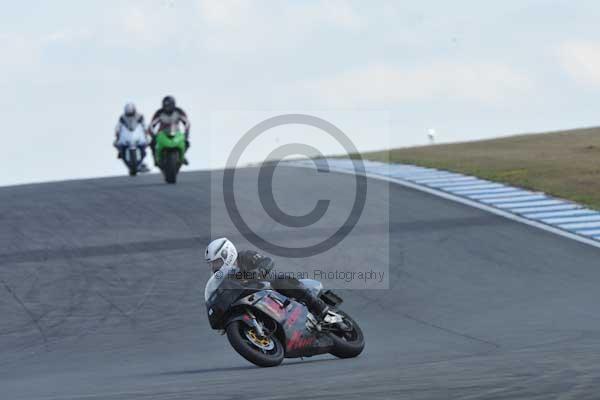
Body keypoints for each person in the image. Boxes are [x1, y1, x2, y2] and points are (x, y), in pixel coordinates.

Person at [204, 238, 337, 325]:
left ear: (227, 254)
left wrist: (260, 271)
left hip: (269, 287)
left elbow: (267, 261)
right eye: (212, 264)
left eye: (216, 262)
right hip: (252, 300)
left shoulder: (245, 256)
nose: (215, 267)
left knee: (279, 280)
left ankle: (318, 305)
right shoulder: (222, 277)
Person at [147, 95, 191, 166]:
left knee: (187, 143)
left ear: (173, 104)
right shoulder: (159, 113)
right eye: (165, 105)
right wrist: (153, 135)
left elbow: (187, 123)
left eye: (169, 105)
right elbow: (152, 125)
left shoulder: (179, 111)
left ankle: (182, 156)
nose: (167, 107)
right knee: (152, 144)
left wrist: (186, 133)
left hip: (176, 132)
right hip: (162, 133)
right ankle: (155, 159)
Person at [113, 102, 149, 171]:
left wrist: (146, 131)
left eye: (131, 113)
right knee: (116, 144)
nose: (130, 115)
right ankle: (120, 153)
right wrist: (117, 132)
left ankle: (142, 159)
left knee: (146, 143)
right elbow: (118, 126)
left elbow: (144, 125)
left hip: (138, 135)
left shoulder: (139, 116)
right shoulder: (122, 117)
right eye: (128, 113)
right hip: (126, 135)